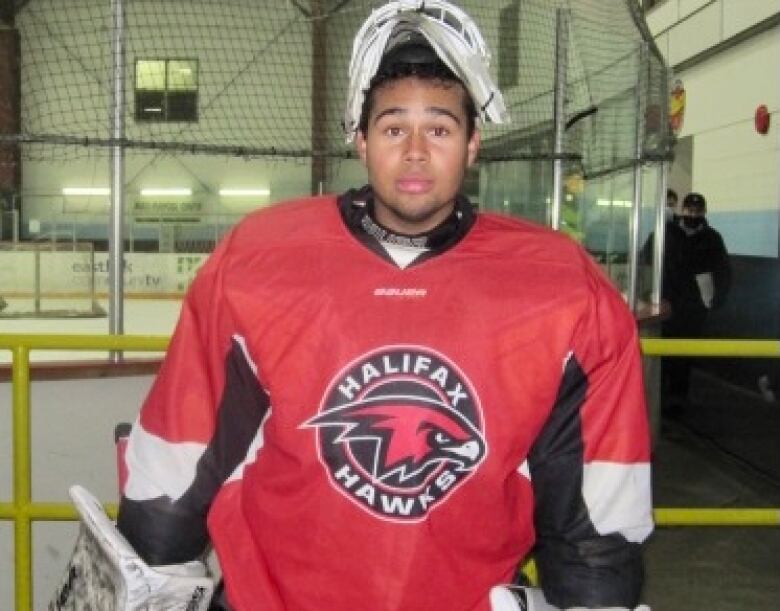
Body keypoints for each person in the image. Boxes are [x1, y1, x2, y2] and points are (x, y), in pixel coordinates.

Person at [52, 2, 653, 610]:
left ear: (473, 144)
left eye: (440, 129)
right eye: (394, 128)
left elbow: (593, 518)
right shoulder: (257, 262)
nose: (416, 150)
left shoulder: (561, 287)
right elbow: (183, 447)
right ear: (360, 140)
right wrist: (148, 570)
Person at [659, 191, 731, 409]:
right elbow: (648, 261)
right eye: (689, 210)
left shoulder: (712, 239)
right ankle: (661, 394)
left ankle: (678, 397)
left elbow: (723, 270)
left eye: (698, 211)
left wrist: (719, 297)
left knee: (686, 354)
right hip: (667, 304)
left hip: (694, 307)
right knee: (664, 353)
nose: (693, 214)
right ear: (682, 211)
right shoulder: (666, 234)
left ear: (704, 212)